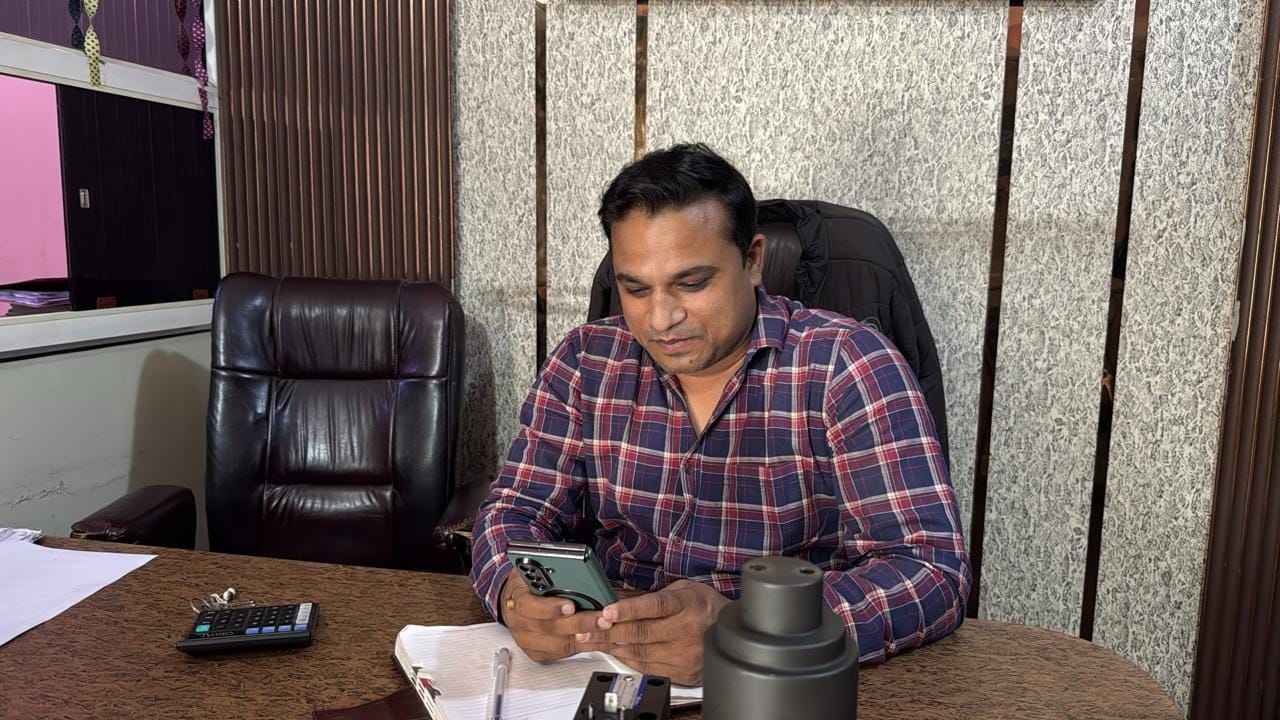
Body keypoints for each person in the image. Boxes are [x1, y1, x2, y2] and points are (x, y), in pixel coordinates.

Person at [468, 143, 970, 685]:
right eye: (635, 288)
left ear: (752, 260)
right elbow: (515, 510)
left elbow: (930, 569)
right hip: (601, 666)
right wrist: (513, 592)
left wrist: (749, 633)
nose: (661, 318)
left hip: (782, 684)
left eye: (692, 283)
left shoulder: (847, 365)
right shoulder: (586, 360)